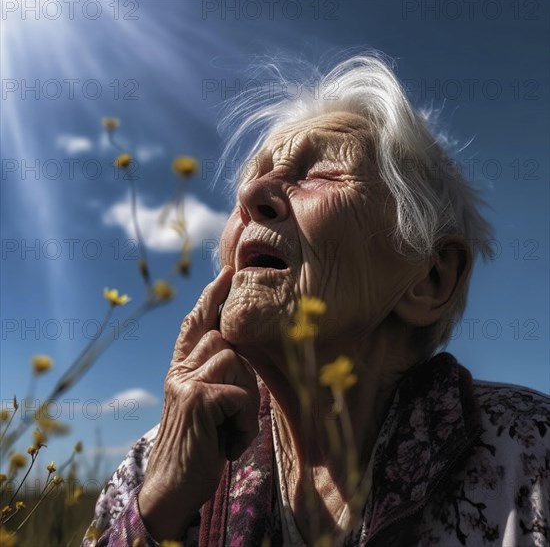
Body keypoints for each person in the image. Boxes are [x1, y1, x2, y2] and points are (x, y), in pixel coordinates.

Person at [83, 54, 549, 546]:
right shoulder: (149, 466)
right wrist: (160, 508)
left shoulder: (529, 455)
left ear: (431, 279)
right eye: (256, 176)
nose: (253, 192)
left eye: (323, 174)